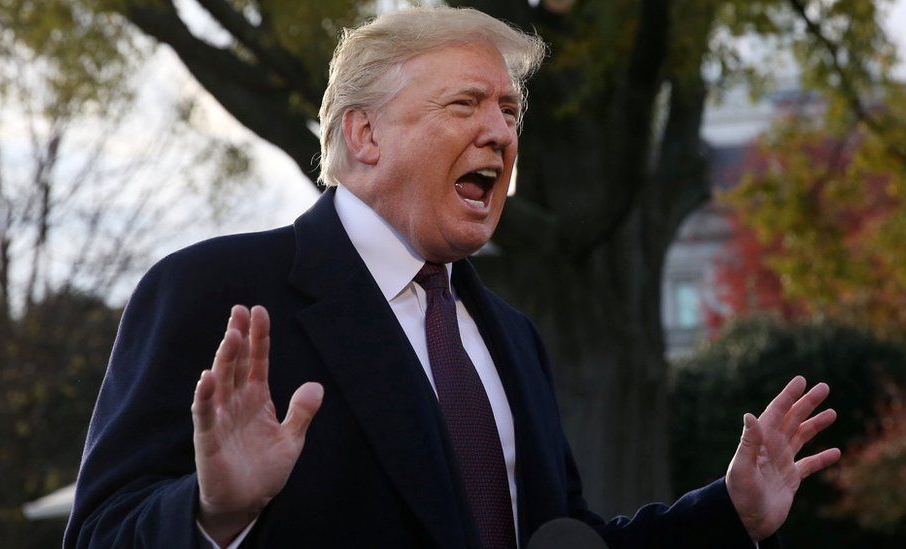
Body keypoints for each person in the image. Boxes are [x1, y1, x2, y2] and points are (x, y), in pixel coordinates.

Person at [64, 6, 840, 549]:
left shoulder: (512, 335)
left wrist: (728, 513)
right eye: (467, 103)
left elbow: (561, 538)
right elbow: (100, 533)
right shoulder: (214, 291)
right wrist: (210, 511)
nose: (500, 132)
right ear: (365, 134)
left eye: (509, 111)